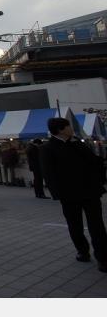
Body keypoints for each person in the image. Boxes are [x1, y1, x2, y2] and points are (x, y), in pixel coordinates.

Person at [41, 117, 107, 273]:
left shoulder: (77, 143)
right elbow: (48, 173)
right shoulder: (48, 148)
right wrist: (57, 194)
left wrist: (100, 174)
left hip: (90, 191)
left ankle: (103, 258)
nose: (71, 128)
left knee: (97, 225)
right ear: (61, 129)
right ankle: (82, 251)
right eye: (68, 126)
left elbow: (94, 162)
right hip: (68, 195)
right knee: (75, 225)